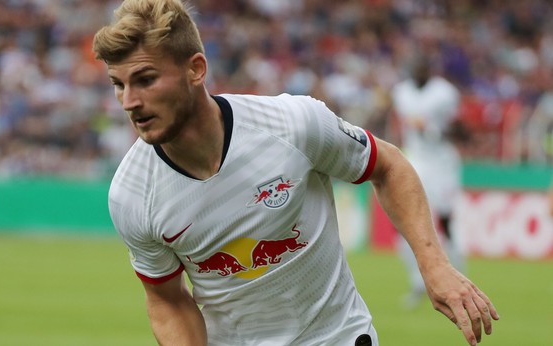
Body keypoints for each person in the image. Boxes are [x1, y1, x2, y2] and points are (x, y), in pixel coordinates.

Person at [92, 1, 499, 345]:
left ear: (196, 69)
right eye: (118, 84)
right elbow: (166, 299)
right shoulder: (130, 194)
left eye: (145, 80)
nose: (129, 102)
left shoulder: (292, 124)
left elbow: (388, 166)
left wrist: (435, 266)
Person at [389, 55, 468, 309]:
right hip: (415, 160)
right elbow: (399, 124)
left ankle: (459, 278)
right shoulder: (401, 92)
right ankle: (417, 282)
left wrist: (431, 129)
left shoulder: (445, 93)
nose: (420, 71)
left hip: (442, 162)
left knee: (445, 222)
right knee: (404, 219)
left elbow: (460, 130)